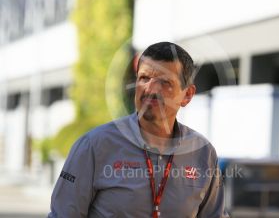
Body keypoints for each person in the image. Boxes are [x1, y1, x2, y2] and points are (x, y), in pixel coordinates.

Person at [48, 42, 229, 217]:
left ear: (187, 95)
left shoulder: (203, 153)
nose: (150, 89)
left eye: (165, 82)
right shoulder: (94, 146)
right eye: (144, 78)